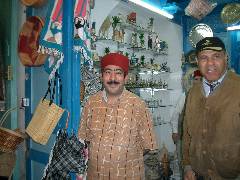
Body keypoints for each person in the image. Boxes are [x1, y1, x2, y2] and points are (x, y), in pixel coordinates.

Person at [78, 52, 158, 179]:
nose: (112, 78)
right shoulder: (91, 103)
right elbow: (85, 138)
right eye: (108, 72)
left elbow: (148, 145)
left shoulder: (139, 105)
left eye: (118, 73)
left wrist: (124, 158)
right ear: (101, 76)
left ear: (125, 78)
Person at [182, 36, 240, 180]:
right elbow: (187, 134)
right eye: (203, 58)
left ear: (226, 57)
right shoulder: (193, 92)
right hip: (199, 174)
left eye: (216, 56)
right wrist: (187, 166)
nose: (210, 63)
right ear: (197, 61)